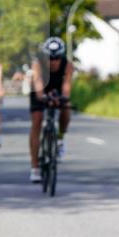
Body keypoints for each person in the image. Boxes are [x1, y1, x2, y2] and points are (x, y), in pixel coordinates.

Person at [28, 37, 73, 183]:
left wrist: (63, 99)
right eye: (50, 58)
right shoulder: (38, 63)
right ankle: (35, 168)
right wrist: (44, 98)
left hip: (57, 88)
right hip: (40, 90)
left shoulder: (67, 65)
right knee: (37, 120)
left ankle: (59, 138)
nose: (53, 61)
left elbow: (66, 87)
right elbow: (38, 84)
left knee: (66, 108)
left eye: (57, 58)